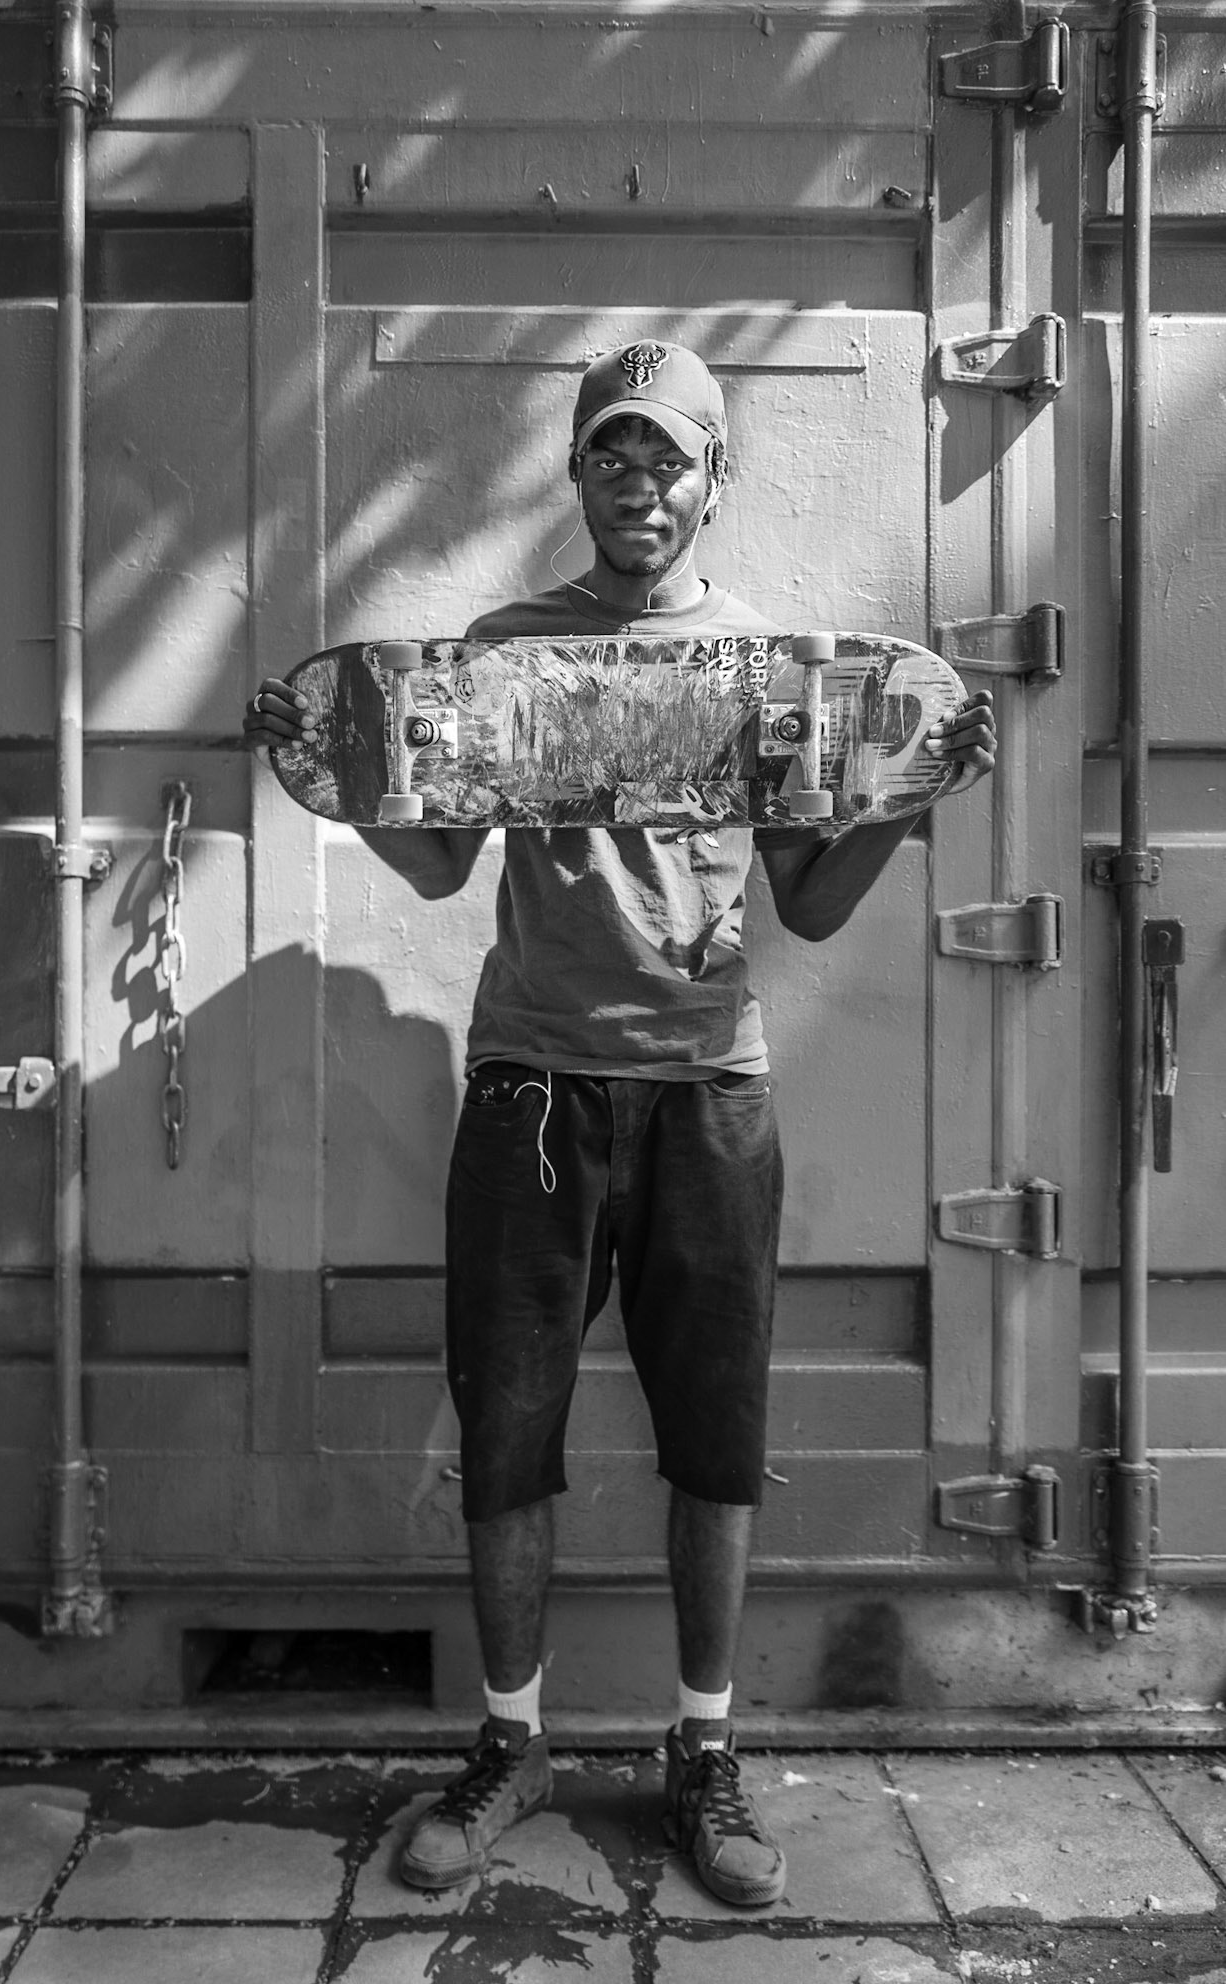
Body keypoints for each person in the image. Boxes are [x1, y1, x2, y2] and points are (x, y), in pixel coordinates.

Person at [245, 341, 996, 1908]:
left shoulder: (764, 676)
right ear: (578, 471)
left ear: (713, 482)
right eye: (611, 453)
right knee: (507, 1436)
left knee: (714, 1442)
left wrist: (907, 797)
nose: (638, 483)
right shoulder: (503, 658)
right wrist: (337, 766)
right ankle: (509, 1744)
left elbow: (806, 899)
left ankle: (702, 1752)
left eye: (667, 458)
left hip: (709, 1090)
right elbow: (439, 868)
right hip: (531, 1089)